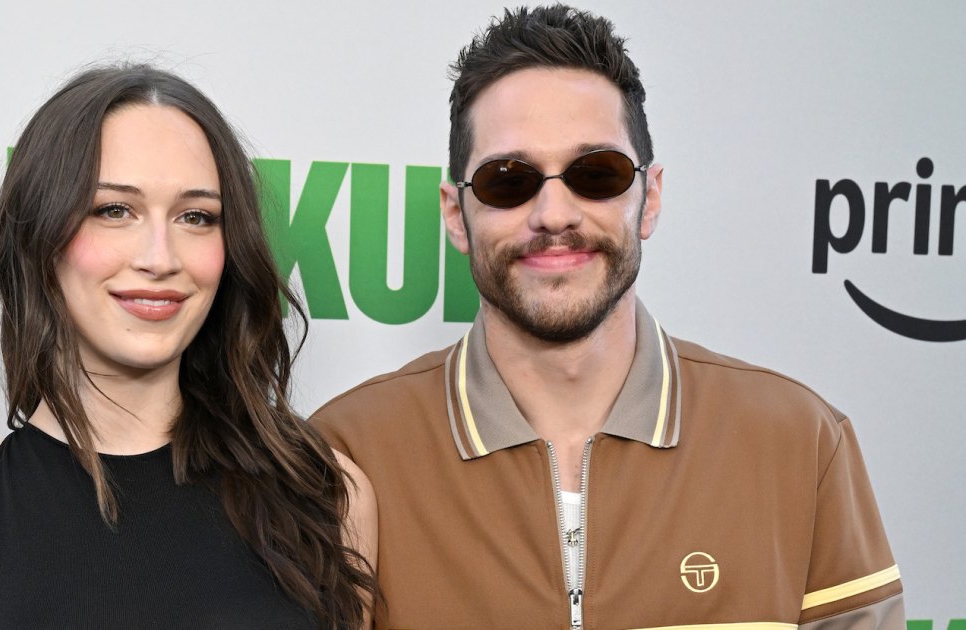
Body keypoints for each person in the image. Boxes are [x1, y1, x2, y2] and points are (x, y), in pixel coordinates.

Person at [311, 5, 903, 629]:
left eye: (597, 173)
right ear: (457, 215)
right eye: (509, 179)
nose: (554, 213)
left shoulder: (801, 443)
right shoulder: (346, 454)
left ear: (649, 198)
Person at [0, 64, 376, 629]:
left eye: (197, 217)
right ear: (40, 235)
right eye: (114, 210)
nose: (161, 257)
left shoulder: (325, 495)